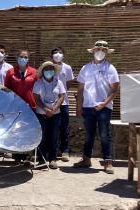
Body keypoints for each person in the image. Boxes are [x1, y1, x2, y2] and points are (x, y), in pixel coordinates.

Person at [73, 40, 119, 174]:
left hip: (104, 108)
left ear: (106, 52)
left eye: (103, 50)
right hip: (88, 107)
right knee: (88, 135)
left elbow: (115, 90)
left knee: (105, 135)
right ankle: (86, 159)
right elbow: (80, 89)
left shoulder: (110, 68)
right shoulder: (85, 68)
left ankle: (107, 162)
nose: (100, 52)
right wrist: (79, 106)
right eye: (98, 49)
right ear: (93, 51)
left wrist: (104, 103)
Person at [5, 49, 38, 164]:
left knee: (30, 131)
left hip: (31, 106)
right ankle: (17, 156)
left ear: (28, 58)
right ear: (17, 57)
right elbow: (7, 90)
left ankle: (29, 156)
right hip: (16, 107)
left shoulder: (34, 72)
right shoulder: (10, 72)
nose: (23, 59)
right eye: (21, 56)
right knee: (17, 131)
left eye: (25, 57)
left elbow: (39, 89)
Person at [33, 61, 66, 169]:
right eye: (46, 69)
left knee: (54, 136)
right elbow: (36, 98)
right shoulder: (38, 83)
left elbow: (61, 96)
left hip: (55, 114)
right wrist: (46, 109)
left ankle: (52, 159)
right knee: (42, 137)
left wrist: (55, 108)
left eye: (51, 69)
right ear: (43, 71)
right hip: (42, 114)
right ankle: (41, 160)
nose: (49, 71)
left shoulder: (58, 82)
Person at [51, 47, 74, 162]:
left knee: (64, 127)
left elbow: (68, 84)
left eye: (60, 52)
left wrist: (61, 93)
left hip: (64, 102)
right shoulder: (48, 67)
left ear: (63, 55)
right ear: (51, 56)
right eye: (55, 53)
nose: (58, 55)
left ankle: (64, 151)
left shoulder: (67, 68)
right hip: (51, 102)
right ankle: (51, 152)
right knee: (52, 128)